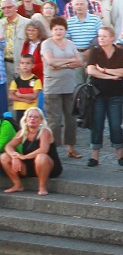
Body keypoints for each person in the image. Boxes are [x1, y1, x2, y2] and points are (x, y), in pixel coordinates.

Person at [86, 27, 123, 167]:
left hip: (115, 95)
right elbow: (91, 70)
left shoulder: (119, 52)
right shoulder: (95, 51)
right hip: (97, 94)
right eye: (99, 36)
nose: (101, 38)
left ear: (112, 38)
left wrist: (104, 70)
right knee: (97, 124)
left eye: (104, 36)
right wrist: (111, 76)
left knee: (116, 125)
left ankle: (120, 156)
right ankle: (94, 157)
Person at [41, 17, 82, 159]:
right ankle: (53, 150)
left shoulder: (70, 44)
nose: (59, 31)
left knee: (71, 119)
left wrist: (62, 65)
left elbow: (79, 62)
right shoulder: (46, 44)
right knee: (55, 121)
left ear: (65, 30)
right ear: (51, 30)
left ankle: (71, 147)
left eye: (61, 29)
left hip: (70, 86)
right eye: (56, 29)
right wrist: (70, 61)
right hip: (53, 87)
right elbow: (51, 62)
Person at [1, 107, 59, 195]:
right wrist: (14, 156)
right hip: (28, 166)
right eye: (30, 116)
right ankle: (17, 185)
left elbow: (43, 149)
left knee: (41, 157)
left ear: (41, 120)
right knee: (4, 157)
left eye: (36, 117)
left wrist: (24, 157)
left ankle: (42, 187)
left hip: (47, 166)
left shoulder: (45, 131)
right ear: (25, 119)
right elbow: (9, 146)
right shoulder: (22, 132)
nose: (32, 119)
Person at [8, 54, 40, 130]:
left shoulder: (36, 80)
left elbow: (34, 95)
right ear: (19, 65)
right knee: (20, 129)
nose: (25, 65)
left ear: (33, 65)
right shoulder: (16, 81)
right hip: (19, 109)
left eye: (28, 63)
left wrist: (19, 94)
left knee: (31, 129)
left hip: (31, 110)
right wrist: (25, 99)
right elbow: (10, 96)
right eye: (22, 63)